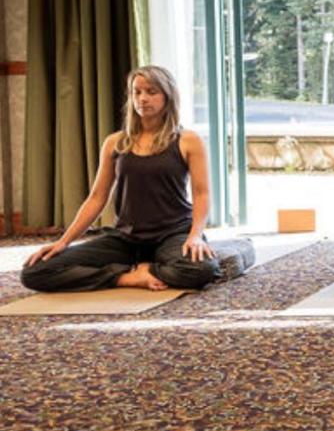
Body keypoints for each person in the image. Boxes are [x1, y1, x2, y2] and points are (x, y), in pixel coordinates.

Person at [22, 65, 220, 292]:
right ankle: (126, 277)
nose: (142, 98)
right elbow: (97, 198)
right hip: (127, 238)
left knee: (202, 270)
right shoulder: (115, 142)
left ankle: (149, 267)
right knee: (35, 271)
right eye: (137, 92)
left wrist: (195, 236)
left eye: (151, 92)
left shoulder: (188, 141)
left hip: (174, 233)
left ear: (168, 96)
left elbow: (201, 194)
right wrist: (63, 242)